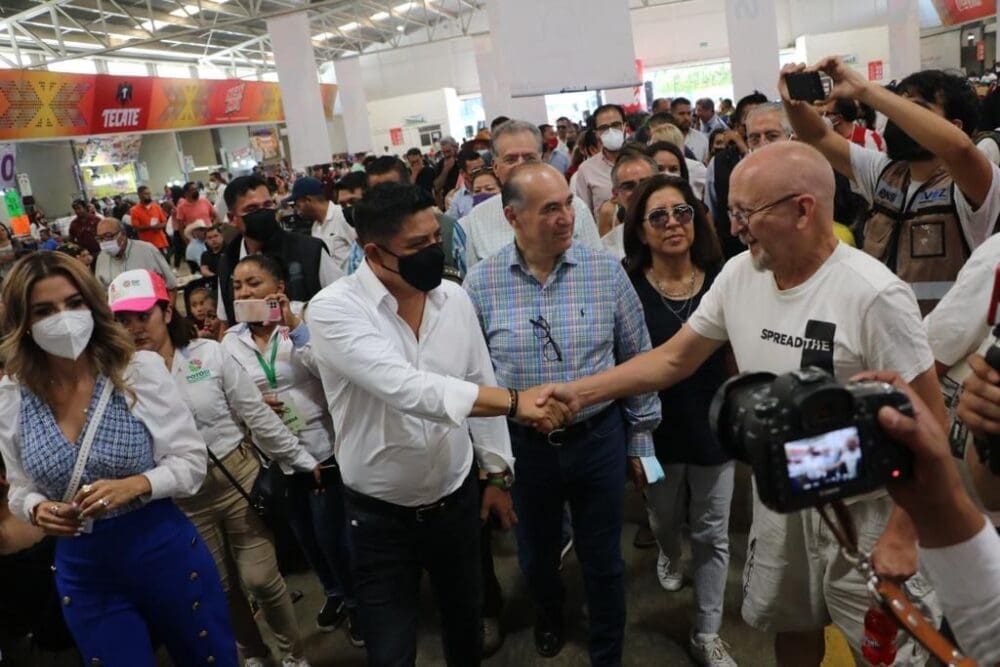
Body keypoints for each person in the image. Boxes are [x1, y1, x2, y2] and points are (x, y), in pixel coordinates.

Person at [537, 141, 945, 667]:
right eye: (730, 211)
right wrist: (581, 391)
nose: (734, 227)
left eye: (746, 213)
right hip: (782, 494)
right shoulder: (739, 275)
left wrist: (903, 532)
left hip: (868, 508)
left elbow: (929, 421)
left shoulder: (874, 295)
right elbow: (674, 359)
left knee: (885, 654)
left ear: (803, 210)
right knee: (790, 624)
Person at [305, 181, 569, 666]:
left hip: (455, 500)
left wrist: (496, 473)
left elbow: (477, 377)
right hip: (380, 514)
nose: (433, 252)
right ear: (374, 252)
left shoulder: (453, 298)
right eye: (417, 245)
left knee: (466, 627)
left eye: (435, 239)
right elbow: (406, 388)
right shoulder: (334, 310)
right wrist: (515, 403)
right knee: (391, 648)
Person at [464, 162, 661, 664]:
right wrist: (493, 466)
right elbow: (473, 379)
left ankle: (607, 647)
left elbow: (638, 358)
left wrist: (640, 442)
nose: (566, 217)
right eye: (550, 209)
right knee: (535, 553)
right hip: (525, 450)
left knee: (603, 555)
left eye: (568, 204)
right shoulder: (481, 284)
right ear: (512, 217)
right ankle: (549, 614)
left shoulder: (604, 272)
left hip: (598, 439)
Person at [0, 252, 237, 667]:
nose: (64, 318)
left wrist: (140, 483)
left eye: (74, 303)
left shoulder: (136, 370)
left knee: (208, 656)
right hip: (85, 569)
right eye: (44, 311)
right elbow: (20, 486)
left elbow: (190, 460)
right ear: (23, 322)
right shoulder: (12, 397)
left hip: (162, 548)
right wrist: (37, 508)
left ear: (92, 305)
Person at [108, 268, 317, 667]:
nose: (134, 328)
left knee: (261, 580)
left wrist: (300, 459)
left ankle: (294, 657)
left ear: (167, 311)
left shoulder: (208, 354)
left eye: (143, 315)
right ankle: (254, 656)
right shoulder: (118, 380)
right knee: (220, 589)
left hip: (238, 480)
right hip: (182, 499)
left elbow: (255, 412)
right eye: (122, 319)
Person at [620, 174, 736, 666]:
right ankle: (668, 550)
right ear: (640, 231)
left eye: (682, 211)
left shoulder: (724, 277)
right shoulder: (626, 286)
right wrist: (632, 437)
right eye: (658, 216)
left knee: (712, 532)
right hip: (655, 433)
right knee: (664, 518)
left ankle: (707, 630)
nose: (673, 223)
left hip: (715, 428)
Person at [781, 58, 1000, 314]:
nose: (900, 117)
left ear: (955, 126)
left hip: (942, 337)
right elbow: (817, 135)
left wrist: (866, 90)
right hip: (882, 331)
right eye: (900, 104)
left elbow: (959, 148)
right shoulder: (884, 173)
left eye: (916, 108)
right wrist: (792, 102)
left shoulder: (976, 185)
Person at [222, 254, 362, 647]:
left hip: (322, 445)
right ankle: (333, 591)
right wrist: (253, 405)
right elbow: (229, 396)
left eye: (254, 283)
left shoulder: (308, 318)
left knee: (332, 532)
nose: (244, 292)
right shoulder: (231, 341)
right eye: (237, 286)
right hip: (275, 454)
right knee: (304, 533)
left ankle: (357, 601)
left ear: (278, 287)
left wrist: (296, 328)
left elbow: (333, 371)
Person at [464, 120, 602, 267]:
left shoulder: (576, 209)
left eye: (530, 158)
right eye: (510, 159)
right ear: (495, 167)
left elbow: (598, 267)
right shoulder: (478, 218)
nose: (521, 165)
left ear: (542, 161)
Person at [215, 175, 343, 331]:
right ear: (232, 218)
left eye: (267, 205)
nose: (262, 213)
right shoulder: (228, 262)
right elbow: (225, 321)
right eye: (252, 209)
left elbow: (343, 302)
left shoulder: (309, 251)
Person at [705, 91, 769, 259]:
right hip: (734, 249)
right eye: (750, 120)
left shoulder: (784, 155)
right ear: (738, 126)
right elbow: (711, 209)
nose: (757, 126)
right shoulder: (719, 163)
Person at [285, 176, 355, 272]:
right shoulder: (315, 227)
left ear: (308, 200)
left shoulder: (342, 216)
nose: (297, 210)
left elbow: (362, 252)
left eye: (297, 205)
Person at [598, 152, 658, 257]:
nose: (639, 191)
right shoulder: (607, 250)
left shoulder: (678, 231)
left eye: (645, 183)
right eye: (629, 186)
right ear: (616, 194)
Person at [574, 104, 628, 217]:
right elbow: (584, 215)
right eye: (604, 128)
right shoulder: (586, 169)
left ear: (625, 126)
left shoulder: (642, 160)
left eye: (616, 125)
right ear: (597, 134)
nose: (611, 131)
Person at [94, 217, 177, 291]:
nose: (104, 242)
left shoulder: (147, 250)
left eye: (108, 236)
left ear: (123, 234)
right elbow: (100, 291)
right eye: (100, 238)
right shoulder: (102, 258)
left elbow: (171, 285)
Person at [173, 182, 218, 270]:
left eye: (196, 189)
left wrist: (213, 228)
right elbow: (180, 227)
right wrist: (187, 241)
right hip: (196, 239)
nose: (196, 191)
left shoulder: (204, 201)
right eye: (193, 190)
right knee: (200, 263)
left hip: (210, 237)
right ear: (186, 193)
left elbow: (215, 216)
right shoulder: (182, 207)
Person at [444, 148, 487, 221]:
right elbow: (453, 225)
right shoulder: (456, 200)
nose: (481, 172)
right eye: (475, 170)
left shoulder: (496, 188)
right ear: (463, 173)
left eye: (483, 168)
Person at [129, 185, 170, 258]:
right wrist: (151, 227)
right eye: (146, 194)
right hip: (147, 244)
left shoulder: (156, 206)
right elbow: (136, 227)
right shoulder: (134, 210)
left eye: (149, 193)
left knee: (166, 261)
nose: (149, 195)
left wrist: (158, 226)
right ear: (139, 195)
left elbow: (164, 222)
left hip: (161, 242)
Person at [672, 97, 710, 163]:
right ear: (672, 115)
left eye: (689, 113)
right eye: (681, 114)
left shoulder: (702, 139)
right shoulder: (663, 138)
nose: (686, 118)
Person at [432, 136, 462, 210]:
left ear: (455, 148)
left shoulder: (463, 159)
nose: (446, 155)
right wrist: (446, 169)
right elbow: (437, 187)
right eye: (443, 152)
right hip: (449, 201)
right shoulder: (441, 163)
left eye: (448, 151)